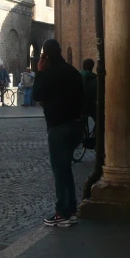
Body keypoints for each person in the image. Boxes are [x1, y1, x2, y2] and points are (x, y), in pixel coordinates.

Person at [33, 39, 84, 228]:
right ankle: (71, 210)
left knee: (59, 170)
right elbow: (82, 99)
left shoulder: (49, 74)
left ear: (45, 55)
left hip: (58, 127)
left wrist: (39, 71)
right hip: (75, 125)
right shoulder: (73, 72)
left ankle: (62, 213)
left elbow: (36, 94)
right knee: (66, 168)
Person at [80, 58, 97, 123]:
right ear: (92, 67)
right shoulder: (93, 78)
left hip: (79, 105)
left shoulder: (78, 74)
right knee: (99, 120)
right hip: (90, 104)